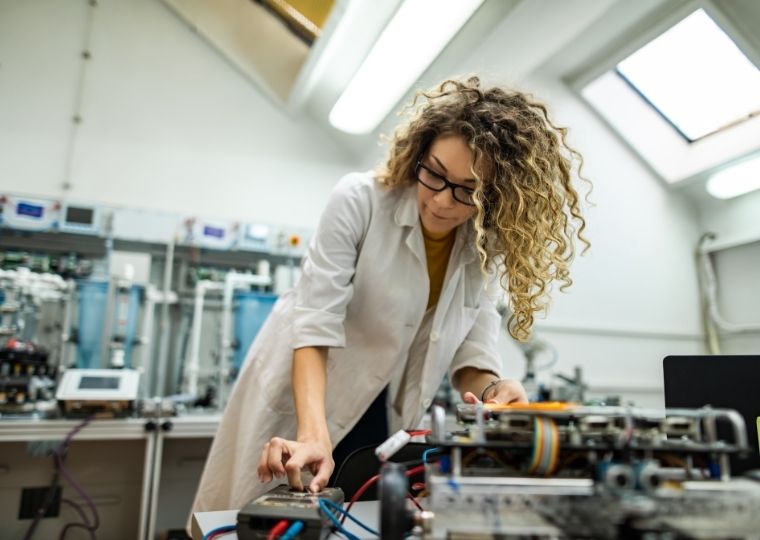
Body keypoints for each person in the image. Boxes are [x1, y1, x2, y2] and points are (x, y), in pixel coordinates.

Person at [190, 76, 589, 515]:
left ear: (494, 198)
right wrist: (313, 434)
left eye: (467, 191)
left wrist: (496, 389)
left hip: (383, 414)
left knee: (357, 517)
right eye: (434, 173)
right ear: (419, 153)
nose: (440, 200)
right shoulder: (360, 201)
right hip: (307, 397)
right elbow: (314, 327)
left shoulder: (482, 245)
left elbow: (471, 357)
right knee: (265, 517)